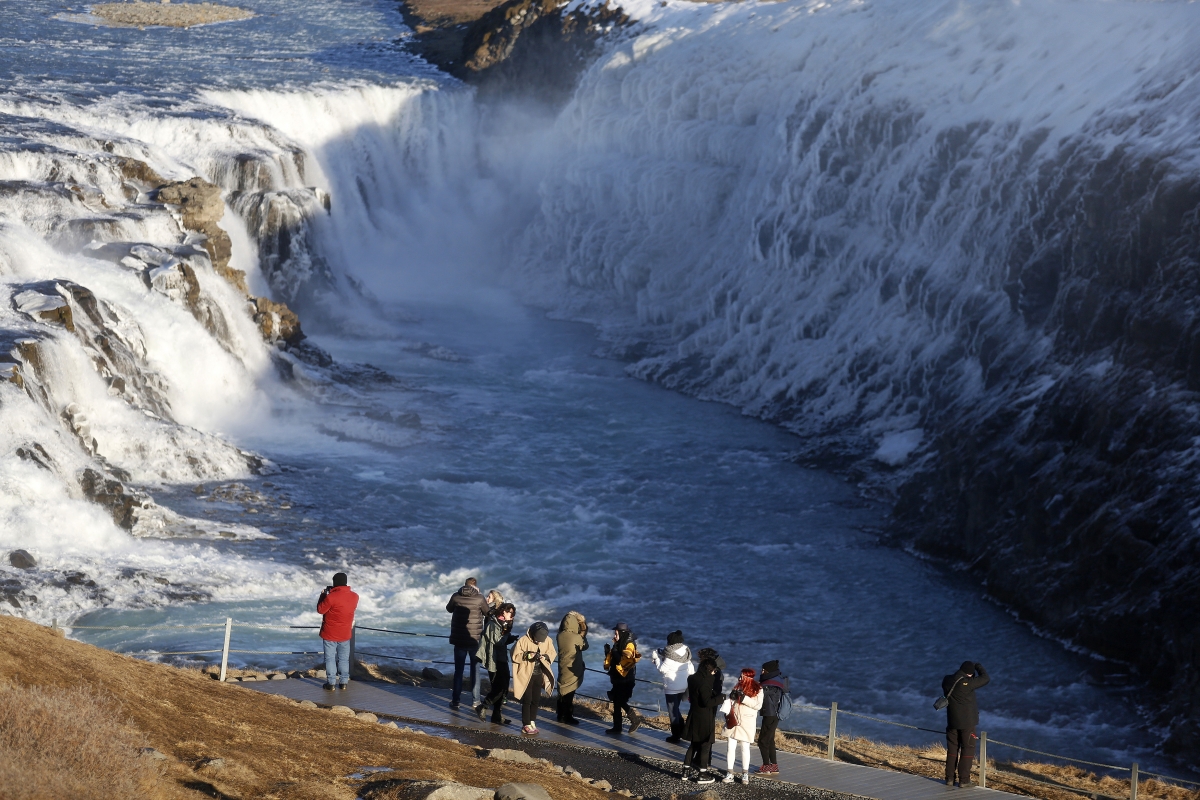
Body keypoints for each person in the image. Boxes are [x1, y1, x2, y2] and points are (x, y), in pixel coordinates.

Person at [942, 661, 990, 787]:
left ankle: (949, 778)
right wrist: (979, 666)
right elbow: (986, 678)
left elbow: (955, 683)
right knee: (967, 749)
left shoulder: (947, 680)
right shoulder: (968, 684)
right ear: (970, 674)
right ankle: (964, 780)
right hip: (967, 723)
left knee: (952, 750)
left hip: (952, 722)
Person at [445, 577, 489, 709]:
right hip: (474, 640)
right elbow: (488, 613)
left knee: (458, 671)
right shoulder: (480, 598)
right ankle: (476, 701)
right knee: (475, 670)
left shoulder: (456, 596)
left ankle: (455, 701)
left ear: (464, 585)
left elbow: (449, 609)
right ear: (475, 586)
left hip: (459, 640)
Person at [681, 657, 725, 783]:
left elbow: (698, 695)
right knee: (705, 745)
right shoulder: (705, 682)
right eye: (714, 670)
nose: (714, 673)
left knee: (693, 744)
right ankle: (702, 774)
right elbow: (706, 701)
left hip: (694, 713)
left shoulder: (693, 678)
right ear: (710, 669)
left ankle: (685, 771)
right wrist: (721, 698)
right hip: (704, 717)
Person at [475, 602, 517, 724]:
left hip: (502, 659)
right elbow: (497, 641)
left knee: (504, 689)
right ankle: (483, 706)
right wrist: (508, 634)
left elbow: (501, 641)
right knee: (499, 688)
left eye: (513, 613)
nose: (512, 615)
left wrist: (510, 637)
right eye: (510, 612)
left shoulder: (504, 624)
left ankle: (497, 715)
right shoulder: (493, 624)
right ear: (503, 611)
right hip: (494, 660)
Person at [512, 621, 557, 736]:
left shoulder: (548, 640)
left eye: (540, 641)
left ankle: (532, 721)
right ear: (532, 633)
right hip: (526, 674)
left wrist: (545, 656)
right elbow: (514, 655)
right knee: (527, 699)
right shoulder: (523, 640)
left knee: (536, 700)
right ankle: (526, 724)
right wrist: (528, 655)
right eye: (537, 640)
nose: (538, 642)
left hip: (539, 674)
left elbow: (552, 652)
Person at [316, 572, 359, 690]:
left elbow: (320, 610)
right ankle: (344, 682)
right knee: (344, 659)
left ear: (334, 583)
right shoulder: (355, 596)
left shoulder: (331, 597)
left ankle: (331, 683)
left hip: (330, 633)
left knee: (330, 658)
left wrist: (323, 595)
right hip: (345, 633)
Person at [651, 630, 695, 743]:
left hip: (671, 687)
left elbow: (662, 669)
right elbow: (691, 670)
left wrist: (656, 659)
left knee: (672, 711)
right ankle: (683, 730)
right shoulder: (686, 653)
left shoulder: (670, 656)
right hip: (683, 685)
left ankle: (676, 736)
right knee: (676, 708)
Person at [722, 668, 763, 783]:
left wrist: (744, 698)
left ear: (748, 678)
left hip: (747, 722)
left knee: (745, 748)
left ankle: (745, 773)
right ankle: (729, 772)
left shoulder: (758, 689)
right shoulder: (737, 686)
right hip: (734, 720)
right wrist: (731, 697)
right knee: (730, 747)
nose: (739, 678)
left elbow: (758, 705)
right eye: (740, 676)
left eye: (742, 677)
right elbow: (732, 702)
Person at [603, 622, 642, 736]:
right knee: (616, 701)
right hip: (617, 677)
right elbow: (615, 660)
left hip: (626, 679)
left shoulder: (629, 644)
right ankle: (617, 727)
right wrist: (608, 652)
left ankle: (635, 720)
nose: (614, 636)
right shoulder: (619, 643)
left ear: (622, 633)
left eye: (616, 633)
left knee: (619, 701)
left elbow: (626, 660)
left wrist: (614, 652)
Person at [757, 660, 790, 775]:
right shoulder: (778, 680)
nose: (761, 672)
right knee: (770, 740)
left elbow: (762, 692)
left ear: (769, 671)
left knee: (762, 741)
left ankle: (766, 767)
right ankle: (774, 766)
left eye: (763, 670)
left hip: (770, 714)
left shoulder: (770, 683)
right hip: (774, 714)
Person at [556, 611, 588, 725]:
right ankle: (567, 716)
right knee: (569, 693)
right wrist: (584, 630)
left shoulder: (560, 635)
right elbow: (585, 646)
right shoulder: (576, 637)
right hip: (571, 669)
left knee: (562, 692)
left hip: (562, 666)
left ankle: (560, 715)